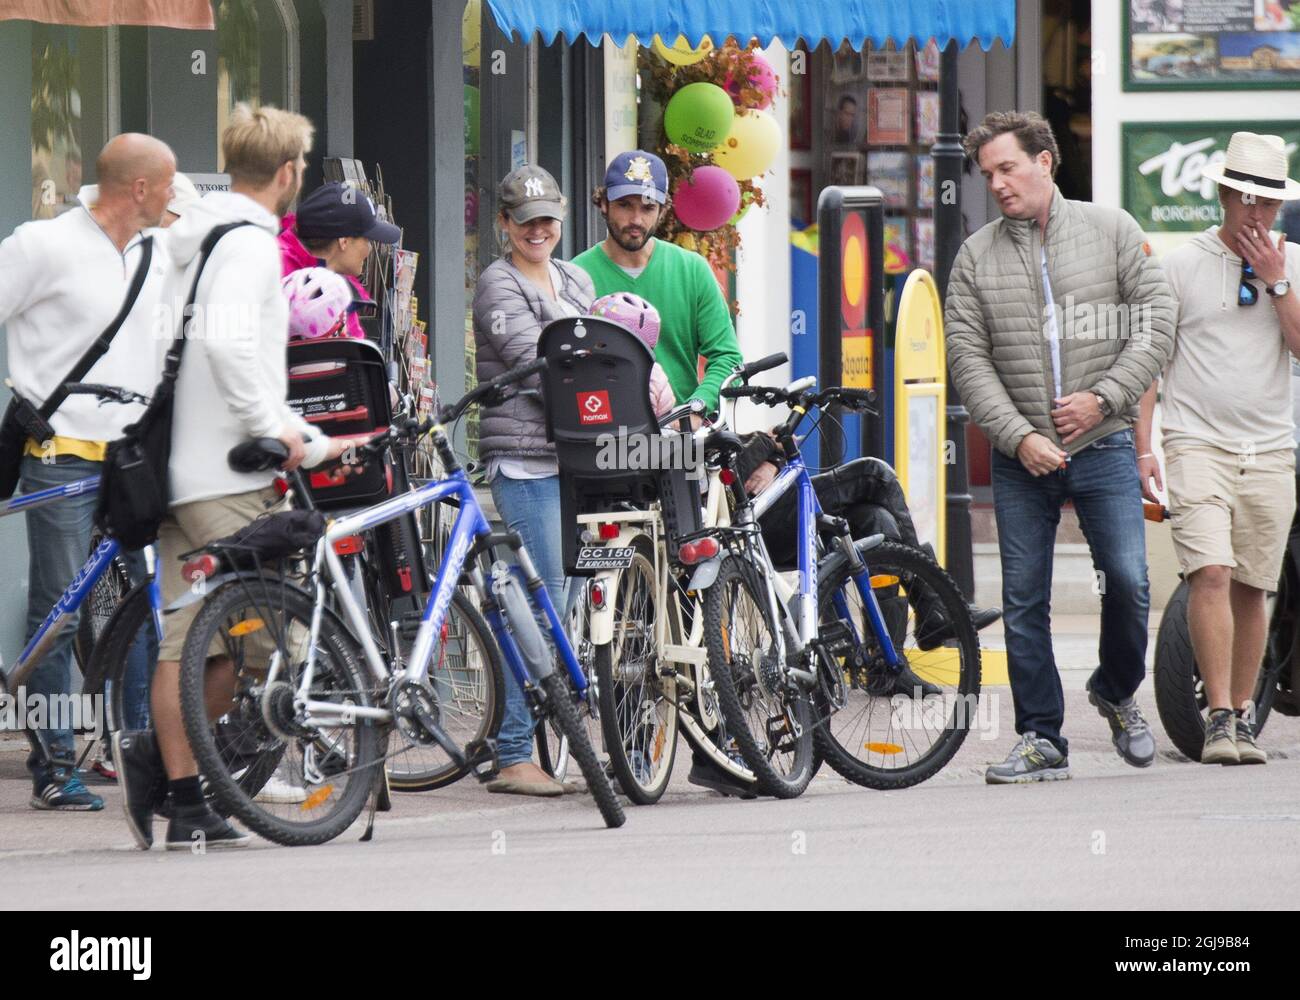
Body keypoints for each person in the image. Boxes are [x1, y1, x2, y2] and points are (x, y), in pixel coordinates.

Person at [113, 104, 350, 850]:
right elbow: (226, 349)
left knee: (203, 642)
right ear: (288, 174)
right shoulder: (246, 246)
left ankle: (180, 790)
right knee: (245, 639)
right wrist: (278, 430)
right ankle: (166, 772)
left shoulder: (189, 237)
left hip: (180, 469)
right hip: (225, 472)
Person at [945, 110, 1174, 784]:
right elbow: (967, 359)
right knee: (1023, 599)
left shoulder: (1112, 231)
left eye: (1008, 168)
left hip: (1103, 443)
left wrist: (1105, 397)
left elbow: (1156, 325)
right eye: (988, 175)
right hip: (1023, 462)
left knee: (1130, 584)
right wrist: (1018, 437)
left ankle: (1113, 687)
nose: (999, 184)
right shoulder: (976, 256)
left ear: (1045, 161)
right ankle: (1042, 737)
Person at [0, 133, 175, 810]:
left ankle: (139, 753)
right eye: (166, 187)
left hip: (132, 459)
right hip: (61, 455)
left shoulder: (156, 253)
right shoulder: (42, 245)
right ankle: (54, 766)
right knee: (59, 614)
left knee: (148, 609)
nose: (172, 198)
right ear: (138, 189)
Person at [1136, 132, 1300, 765]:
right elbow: (1151, 364)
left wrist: (1278, 282)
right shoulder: (1180, 266)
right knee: (1210, 571)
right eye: (1248, 198)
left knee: (1254, 586)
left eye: (1270, 203)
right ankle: (1220, 718)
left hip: (1269, 448)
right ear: (1225, 193)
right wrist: (1143, 449)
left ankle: (1243, 719)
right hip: (1195, 442)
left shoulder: (1290, 262)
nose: (1258, 214)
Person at [473, 163, 595, 796]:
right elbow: (544, 361)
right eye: (525, 222)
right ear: (504, 225)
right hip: (524, 462)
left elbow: (603, 348)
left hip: (577, 457)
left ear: (564, 214)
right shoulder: (498, 284)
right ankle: (514, 754)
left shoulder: (575, 276)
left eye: (548, 218)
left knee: (571, 599)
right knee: (540, 601)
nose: (538, 230)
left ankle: (545, 736)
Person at [736, 438, 1002, 662]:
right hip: (757, 525)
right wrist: (770, 445)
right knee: (875, 473)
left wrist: (772, 456)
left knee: (877, 520)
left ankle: (887, 667)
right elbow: (724, 460)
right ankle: (931, 604)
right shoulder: (703, 399)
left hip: (767, 513)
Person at [573, 150, 742, 421]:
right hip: (604, 436)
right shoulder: (576, 275)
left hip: (683, 439)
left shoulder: (692, 269)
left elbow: (728, 358)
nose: (636, 219)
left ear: (663, 210)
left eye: (648, 207)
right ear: (604, 203)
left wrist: (695, 409)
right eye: (625, 205)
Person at [278, 181, 400, 339]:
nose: (370, 250)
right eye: (367, 240)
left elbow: (355, 353)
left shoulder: (340, 285)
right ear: (344, 241)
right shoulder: (271, 267)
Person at [589, 291, 676, 416]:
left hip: (584, 434)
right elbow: (665, 417)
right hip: (643, 435)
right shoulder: (654, 375)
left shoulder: (575, 369)